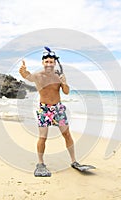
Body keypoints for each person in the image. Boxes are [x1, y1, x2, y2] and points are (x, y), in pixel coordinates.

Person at [19, 49, 81, 177]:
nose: (49, 64)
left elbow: (66, 91)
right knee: (43, 137)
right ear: (43, 63)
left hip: (58, 109)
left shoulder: (58, 75)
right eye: (46, 61)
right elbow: (27, 76)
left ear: (54, 63)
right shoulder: (38, 75)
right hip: (44, 110)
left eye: (51, 62)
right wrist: (23, 72)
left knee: (67, 135)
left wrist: (64, 82)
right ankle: (40, 163)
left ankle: (74, 161)